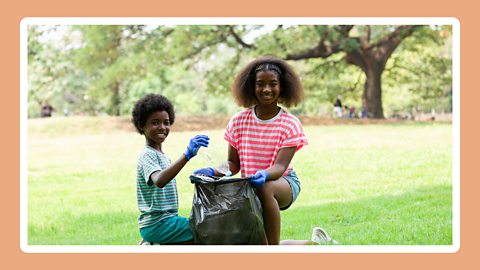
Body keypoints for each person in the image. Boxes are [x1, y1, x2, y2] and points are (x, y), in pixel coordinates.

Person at [194, 56, 324, 245]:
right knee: (256, 245)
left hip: (282, 183)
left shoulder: (290, 124)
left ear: (282, 87)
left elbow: (280, 166)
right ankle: (313, 244)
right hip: (249, 187)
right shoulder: (238, 121)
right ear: (251, 87)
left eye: (273, 84)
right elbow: (233, 164)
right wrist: (213, 172)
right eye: (260, 84)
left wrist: (263, 174)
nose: (266, 89)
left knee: (265, 189)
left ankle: (273, 251)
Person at [132, 93, 210, 244]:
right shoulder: (147, 155)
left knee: (200, 232)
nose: (162, 127)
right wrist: (187, 155)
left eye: (166, 122)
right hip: (157, 224)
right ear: (142, 125)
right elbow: (160, 180)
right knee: (205, 229)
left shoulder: (163, 156)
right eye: (155, 122)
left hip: (167, 221)